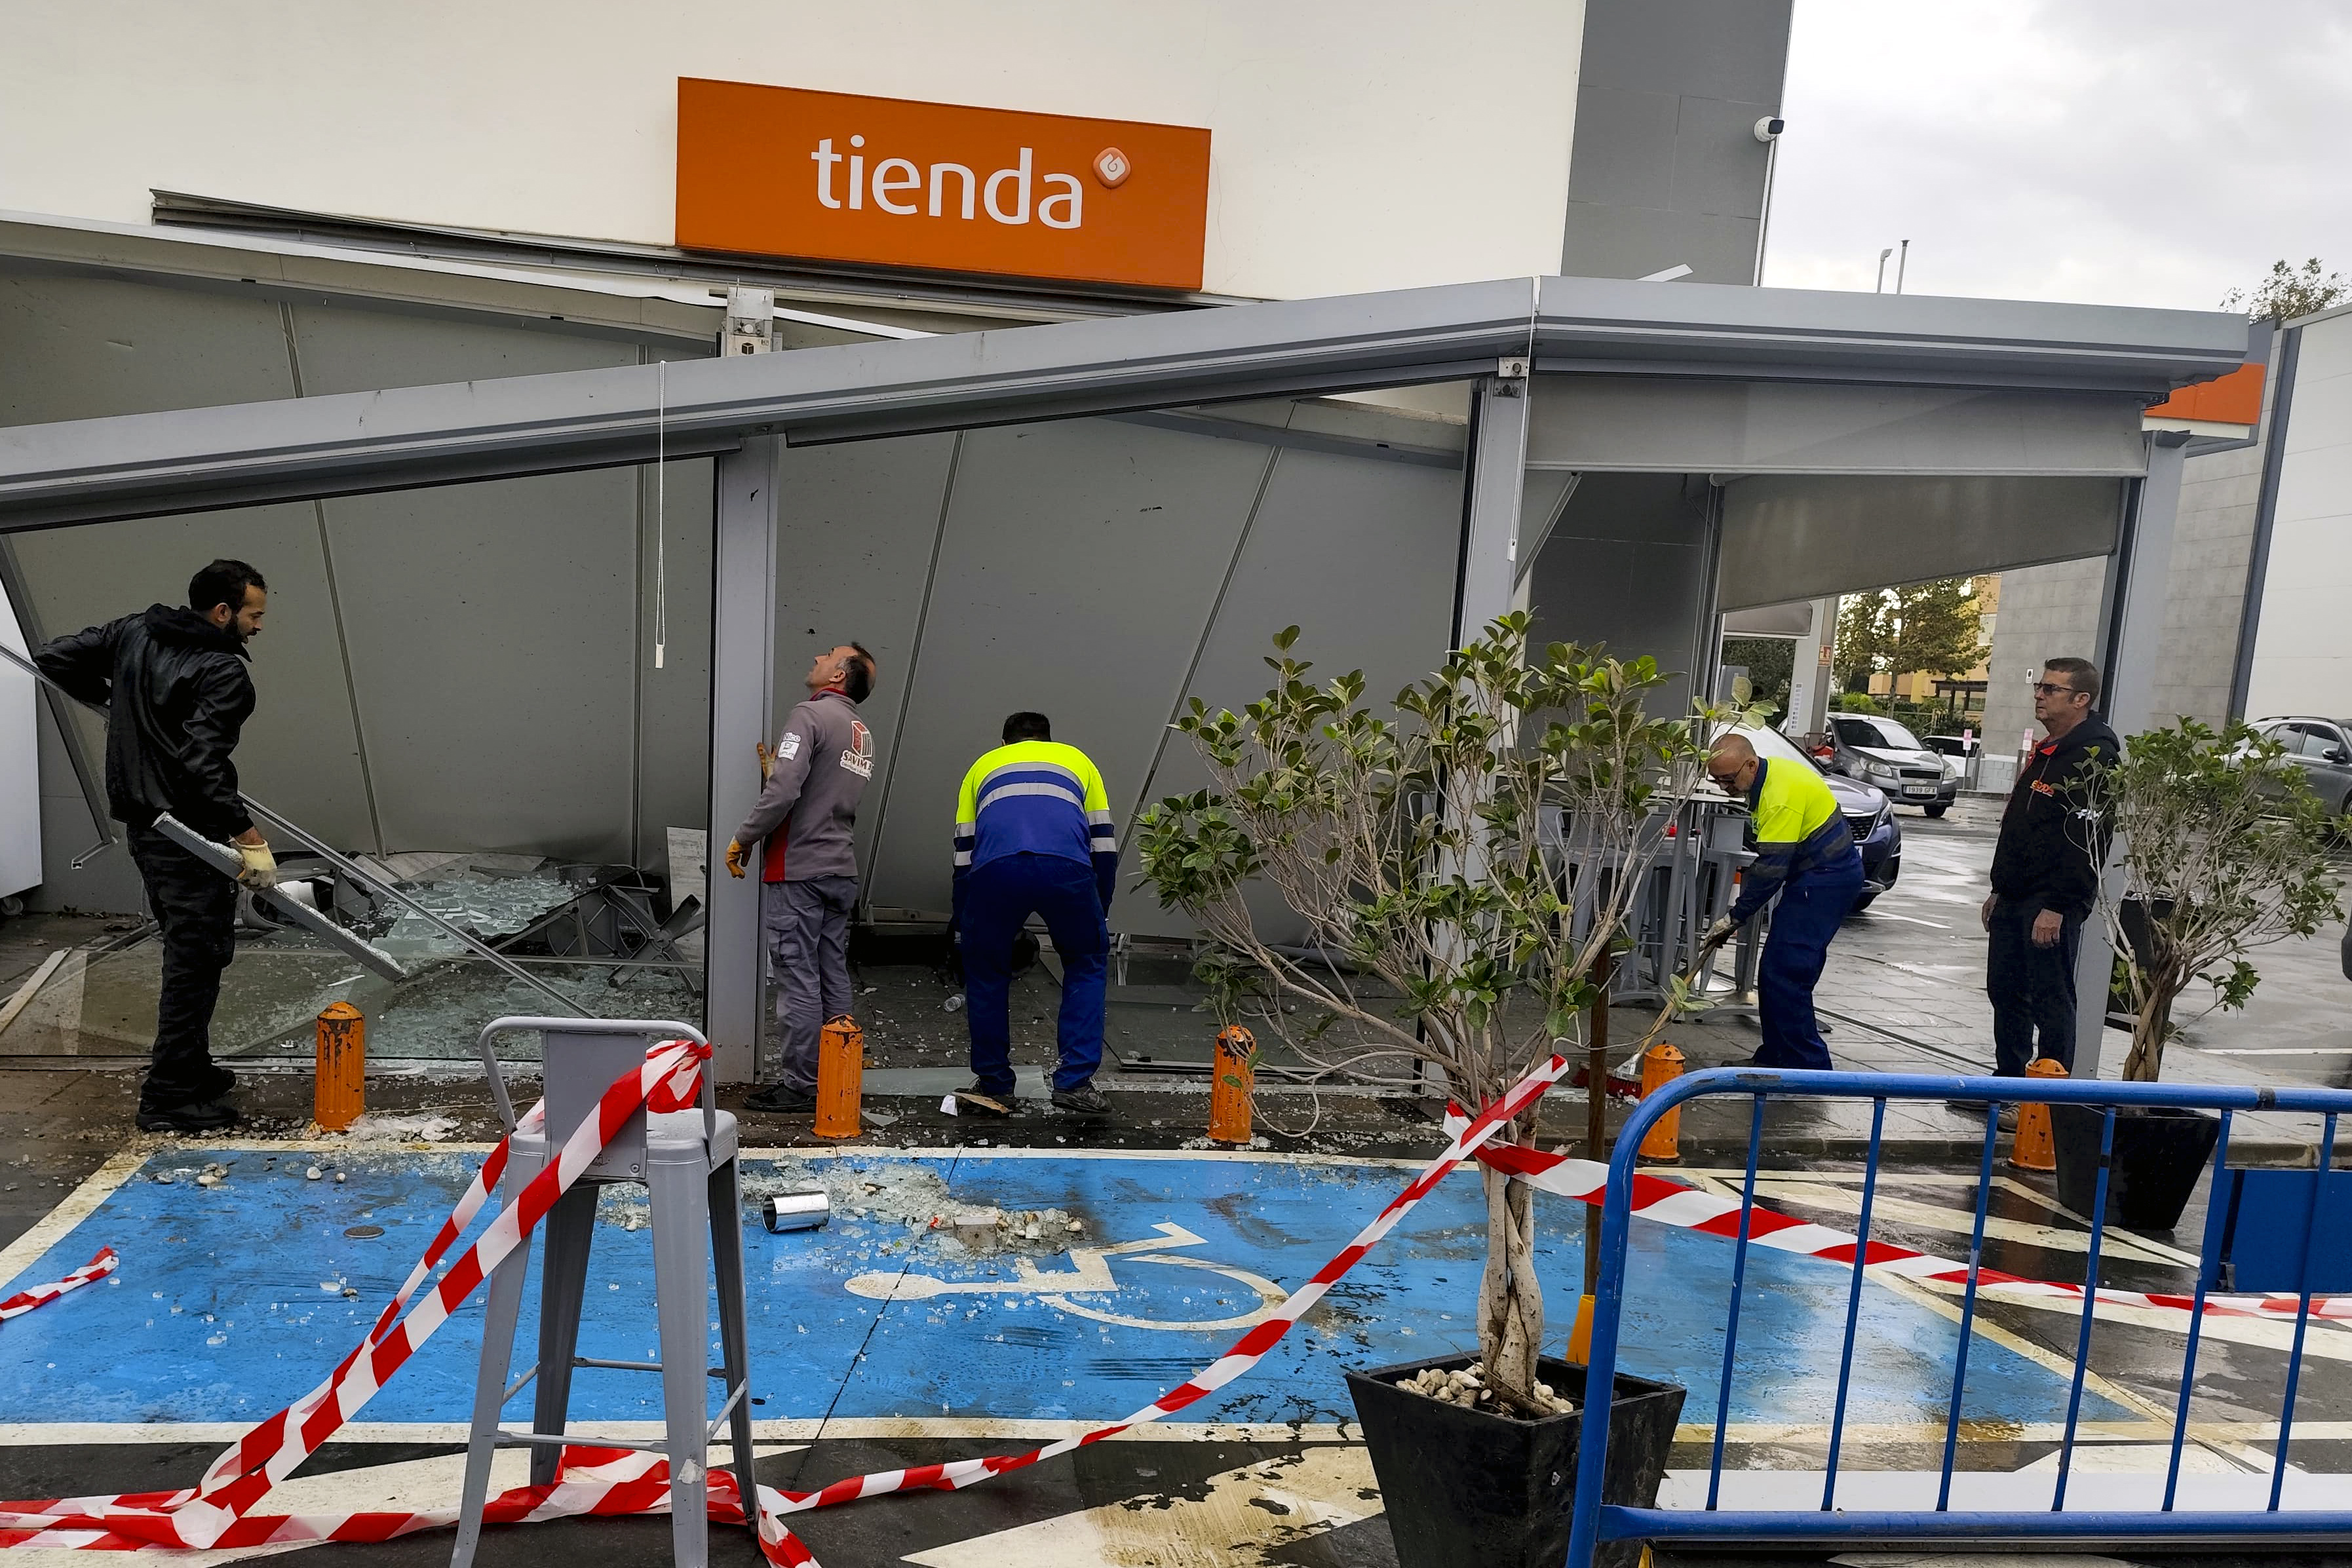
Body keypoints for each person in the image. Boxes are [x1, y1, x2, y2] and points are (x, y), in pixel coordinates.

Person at [35, 561, 276, 1132]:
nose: (259, 626)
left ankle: (191, 1067)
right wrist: (250, 838)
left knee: (194, 950)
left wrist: (116, 701)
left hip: (146, 827)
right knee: (195, 961)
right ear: (223, 613)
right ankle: (169, 1097)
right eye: (253, 615)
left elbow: (53, 656)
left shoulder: (134, 631)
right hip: (188, 832)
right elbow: (202, 766)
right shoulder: (224, 673)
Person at [723, 643, 878, 1114]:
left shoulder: (808, 716)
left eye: (828, 654)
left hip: (800, 869)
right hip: (839, 868)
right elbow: (819, 787)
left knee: (797, 977)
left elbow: (785, 789)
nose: (815, 655)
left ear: (838, 675)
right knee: (832, 973)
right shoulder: (860, 731)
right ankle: (837, 1075)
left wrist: (744, 837)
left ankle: (801, 1084)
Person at [951, 712, 1119, 1117]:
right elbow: (1104, 845)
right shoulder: (1079, 761)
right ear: (1047, 739)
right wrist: (1100, 909)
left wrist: (964, 920)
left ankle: (994, 1085)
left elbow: (963, 854)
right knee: (1085, 963)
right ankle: (1074, 1083)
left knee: (987, 972)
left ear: (1006, 742)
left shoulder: (982, 766)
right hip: (1068, 868)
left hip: (996, 869)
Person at [1983, 657, 2119, 1077]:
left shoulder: (2094, 755)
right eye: (2039, 687)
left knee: (2050, 999)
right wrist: (1999, 888)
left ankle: (2046, 1101)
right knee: (2006, 992)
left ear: (2082, 699)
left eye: (2051, 689)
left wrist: (2059, 905)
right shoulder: (2049, 750)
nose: (2039, 695)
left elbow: (2088, 840)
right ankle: (2007, 1086)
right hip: (2016, 894)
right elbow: (2024, 827)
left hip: (2051, 901)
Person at [1704, 732, 1866, 1071]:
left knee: (1788, 972)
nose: (1723, 787)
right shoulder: (1767, 777)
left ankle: (1809, 1066)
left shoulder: (1779, 795)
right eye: (1716, 779)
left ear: (1750, 764)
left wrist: (1734, 917)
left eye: (1728, 779)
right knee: (1775, 971)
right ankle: (1776, 1059)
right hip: (1815, 876)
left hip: (1826, 880)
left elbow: (1770, 869)